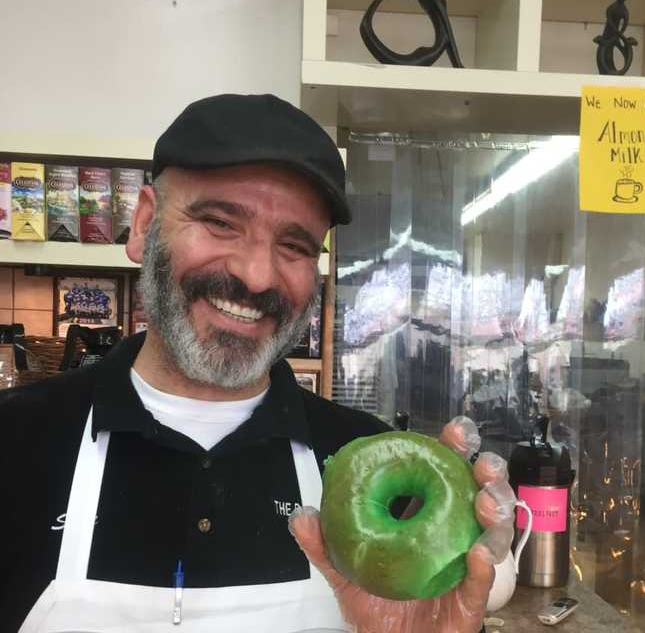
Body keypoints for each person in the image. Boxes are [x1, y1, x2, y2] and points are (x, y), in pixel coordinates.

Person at [0, 94, 516, 632]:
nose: (256, 276)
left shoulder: (361, 455)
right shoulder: (15, 443)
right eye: (221, 222)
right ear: (144, 224)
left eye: (294, 246)